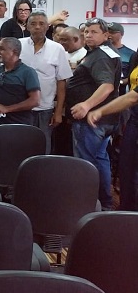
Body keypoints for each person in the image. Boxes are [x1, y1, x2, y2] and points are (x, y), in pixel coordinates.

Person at [66, 17, 121, 210]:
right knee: (100, 159)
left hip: (92, 120)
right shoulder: (104, 52)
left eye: (94, 32)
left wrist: (86, 105)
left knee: (86, 164)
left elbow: (107, 86)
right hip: (104, 120)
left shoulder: (101, 56)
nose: (88, 35)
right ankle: (104, 203)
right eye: (86, 31)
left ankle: (86, 206)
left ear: (106, 35)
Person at [87, 52, 138, 210]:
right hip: (134, 120)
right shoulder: (135, 57)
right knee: (127, 169)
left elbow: (132, 97)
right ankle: (126, 210)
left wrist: (100, 111)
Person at [19, 12, 73, 153]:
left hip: (45, 108)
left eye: (41, 24)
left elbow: (61, 82)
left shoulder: (57, 48)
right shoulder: (18, 45)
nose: (37, 27)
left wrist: (58, 112)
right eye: (33, 24)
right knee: (20, 145)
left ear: (48, 26)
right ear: (27, 26)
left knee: (42, 146)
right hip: (20, 107)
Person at [106, 22, 136, 95]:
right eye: (107, 32)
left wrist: (119, 82)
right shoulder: (100, 52)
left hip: (122, 93)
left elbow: (131, 77)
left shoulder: (131, 54)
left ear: (121, 34)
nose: (109, 35)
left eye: (112, 32)